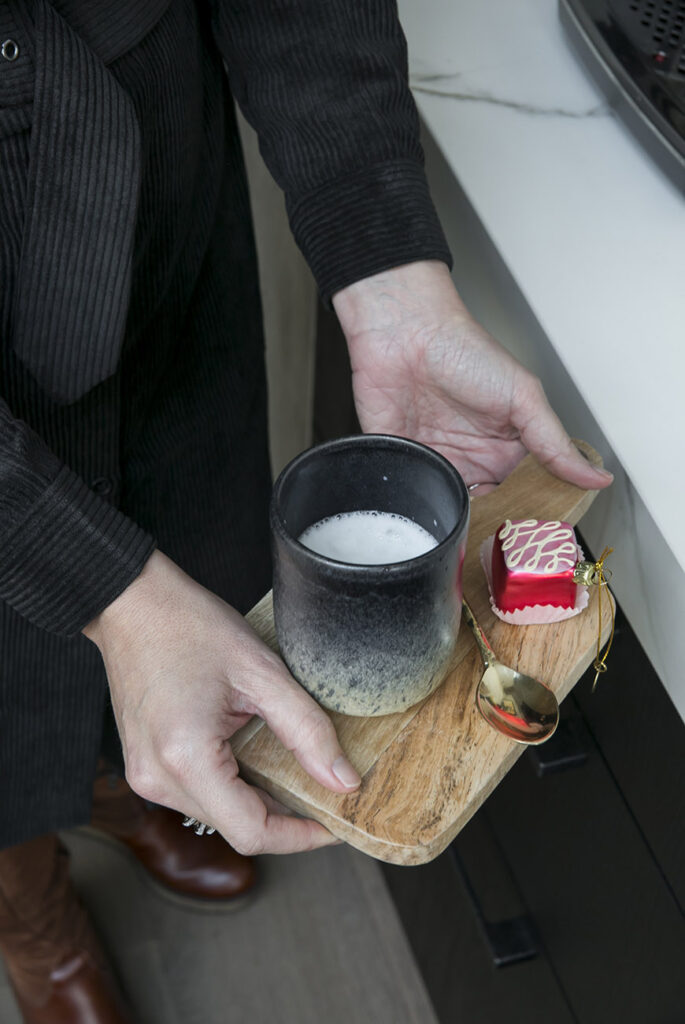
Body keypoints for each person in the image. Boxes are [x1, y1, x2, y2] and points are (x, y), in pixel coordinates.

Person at [0, 1, 612, 1020]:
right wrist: (108, 590)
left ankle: (119, 787)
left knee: (195, 548)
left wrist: (388, 276)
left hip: (148, 138)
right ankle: (34, 912)